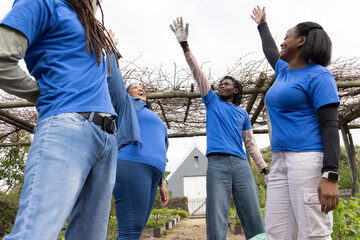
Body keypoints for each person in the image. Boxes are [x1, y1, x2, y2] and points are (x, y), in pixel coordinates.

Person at [0, 0, 120, 239]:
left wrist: (110, 55)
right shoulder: (42, 3)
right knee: (34, 233)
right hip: (67, 128)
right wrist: (40, 93)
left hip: (106, 139)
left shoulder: (85, 23)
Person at [170, 17, 269, 240]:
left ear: (235, 91)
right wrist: (185, 46)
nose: (221, 85)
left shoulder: (242, 114)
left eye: (226, 84)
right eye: (221, 83)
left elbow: (251, 145)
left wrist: (264, 168)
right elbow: (198, 73)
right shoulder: (212, 102)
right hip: (217, 164)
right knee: (216, 214)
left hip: (242, 165)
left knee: (252, 212)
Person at [251, 6, 340, 240]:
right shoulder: (283, 72)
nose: (282, 42)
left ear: (301, 41)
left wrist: (330, 175)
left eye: (286, 38)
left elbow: (330, 126)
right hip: (279, 159)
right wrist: (262, 25)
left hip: (307, 160)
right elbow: (270, 49)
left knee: (313, 232)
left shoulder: (319, 75)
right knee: (276, 231)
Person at [106, 32, 169, 240]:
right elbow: (114, 80)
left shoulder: (154, 116)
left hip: (154, 172)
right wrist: (112, 51)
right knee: (130, 231)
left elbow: (162, 146)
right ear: (128, 93)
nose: (140, 88)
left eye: (142, 88)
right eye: (134, 87)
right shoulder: (125, 105)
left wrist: (162, 182)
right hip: (132, 163)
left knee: (137, 229)